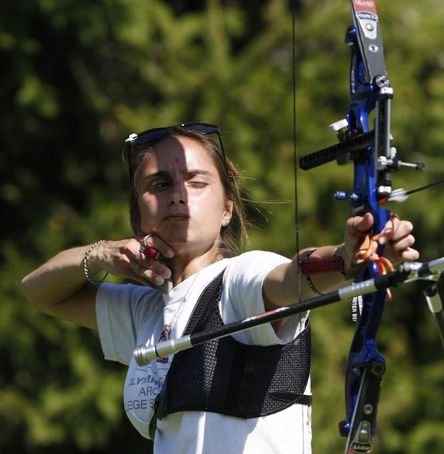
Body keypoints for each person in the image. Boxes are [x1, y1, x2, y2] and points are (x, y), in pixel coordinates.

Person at [21, 123, 419, 453]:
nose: (178, 194)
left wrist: (347, 258)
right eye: (159, 183)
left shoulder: (239, 280)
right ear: (138, 215)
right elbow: (40, 292)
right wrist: (100, 253)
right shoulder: (146, 311)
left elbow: (291, 279)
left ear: (227, 207)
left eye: (196, 182)